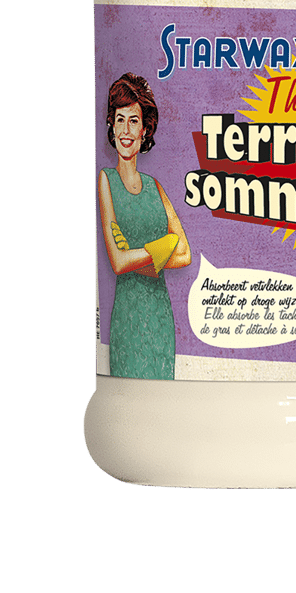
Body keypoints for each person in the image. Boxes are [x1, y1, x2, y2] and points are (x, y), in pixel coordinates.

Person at [98, 73, 191, 379]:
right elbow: (117, 261)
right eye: (120, 120)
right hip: (128, 319)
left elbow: (185, 253)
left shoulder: (155, 186)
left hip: (160, 318)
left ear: (145, 129)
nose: (126, 130)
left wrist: (138, 255)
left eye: (134, 121)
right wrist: (163, 247)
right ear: (111, 125)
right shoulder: (106, 180)